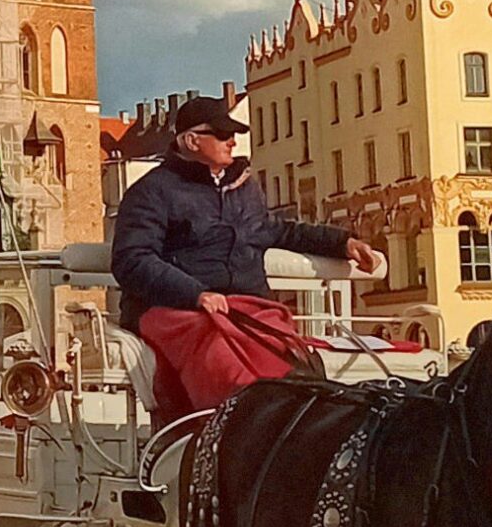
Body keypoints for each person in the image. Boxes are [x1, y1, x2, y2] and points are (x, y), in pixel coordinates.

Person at [109, 94, 380, 415]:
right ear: (192, 140)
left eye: (233, 134)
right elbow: (132, 260)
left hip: (246, 308)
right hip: (176, 310)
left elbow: (276, 230)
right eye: (223, 134)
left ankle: (293, 423)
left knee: (289, 357)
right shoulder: (152, 192)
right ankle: (233, 426)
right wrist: (195, 294)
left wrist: (342, 244)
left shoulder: (245, 187)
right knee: (224, 363)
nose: (232, 141)